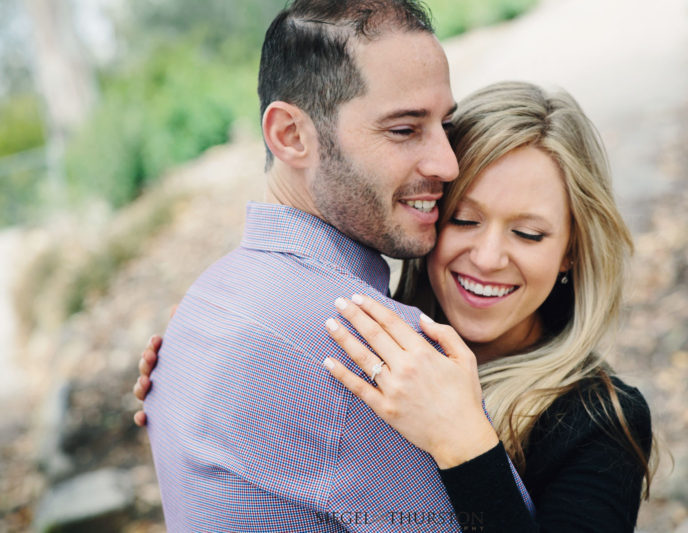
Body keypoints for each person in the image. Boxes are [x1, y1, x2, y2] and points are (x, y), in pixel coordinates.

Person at [136, 81, 654, 531]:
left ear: (570, 250)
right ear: (429, 214)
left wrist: (466, 444)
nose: (489, 257)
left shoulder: (601, 419)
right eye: (465, 221)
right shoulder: (359, 339)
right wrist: (199, 384)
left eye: (528, 233)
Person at [139, 1, 532, 531]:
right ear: (291, 136)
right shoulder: (373, 353)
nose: (448, 163)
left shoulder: (203, 304)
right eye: (403, 130)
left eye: (444, 124)